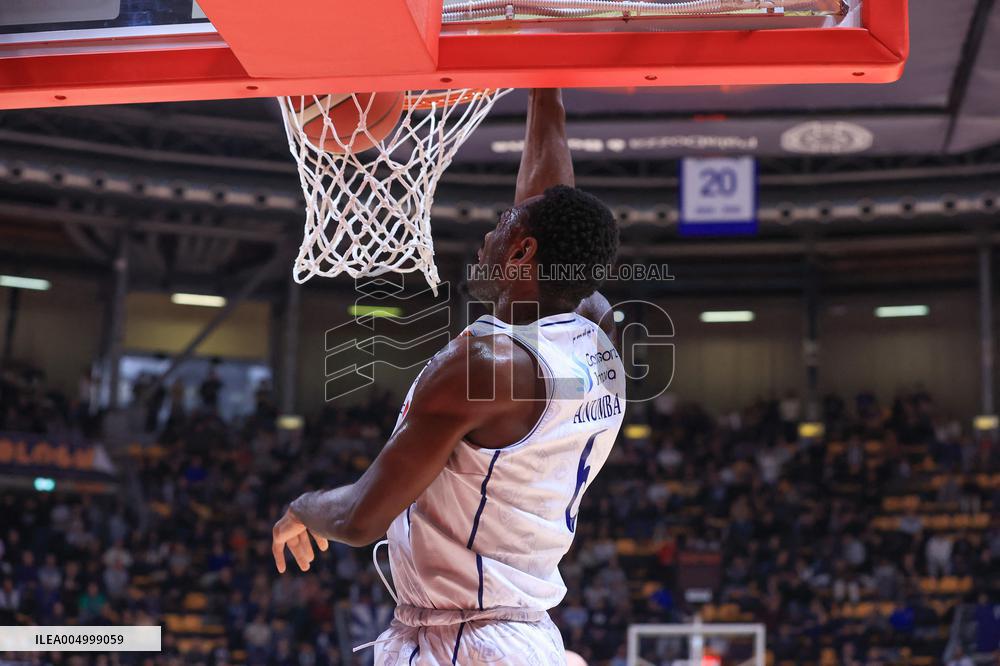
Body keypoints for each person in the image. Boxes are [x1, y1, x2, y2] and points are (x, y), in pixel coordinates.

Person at [272, 88, 622, 665]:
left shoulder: (486, 367)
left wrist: (302, 506)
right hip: (524, 634)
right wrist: (545, 89)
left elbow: (361, 519)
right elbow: (548, 200)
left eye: (503, 225)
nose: (488, 236)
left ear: (523, 253)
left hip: (463, 644)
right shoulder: (597, 331)